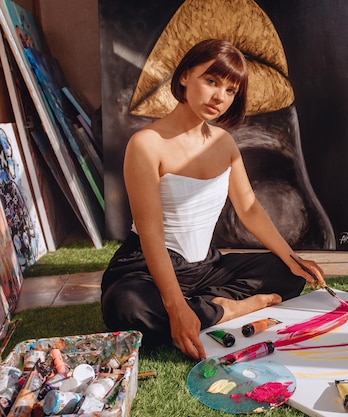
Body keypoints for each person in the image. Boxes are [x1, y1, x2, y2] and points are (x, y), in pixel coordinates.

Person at [100, 39, 326, 361]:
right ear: (184, 77)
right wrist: (175, 306)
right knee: (125, 307)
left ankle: (202, 308)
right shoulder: (146, 144)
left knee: (287, 274)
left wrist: (293, 258)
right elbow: (151, 234)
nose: (220, 97)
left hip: (206, 266)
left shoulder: (224, 143)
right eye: (211, 81)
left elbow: (249, 209)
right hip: (147, 267)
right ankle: (228, 310)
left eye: (231, 91)